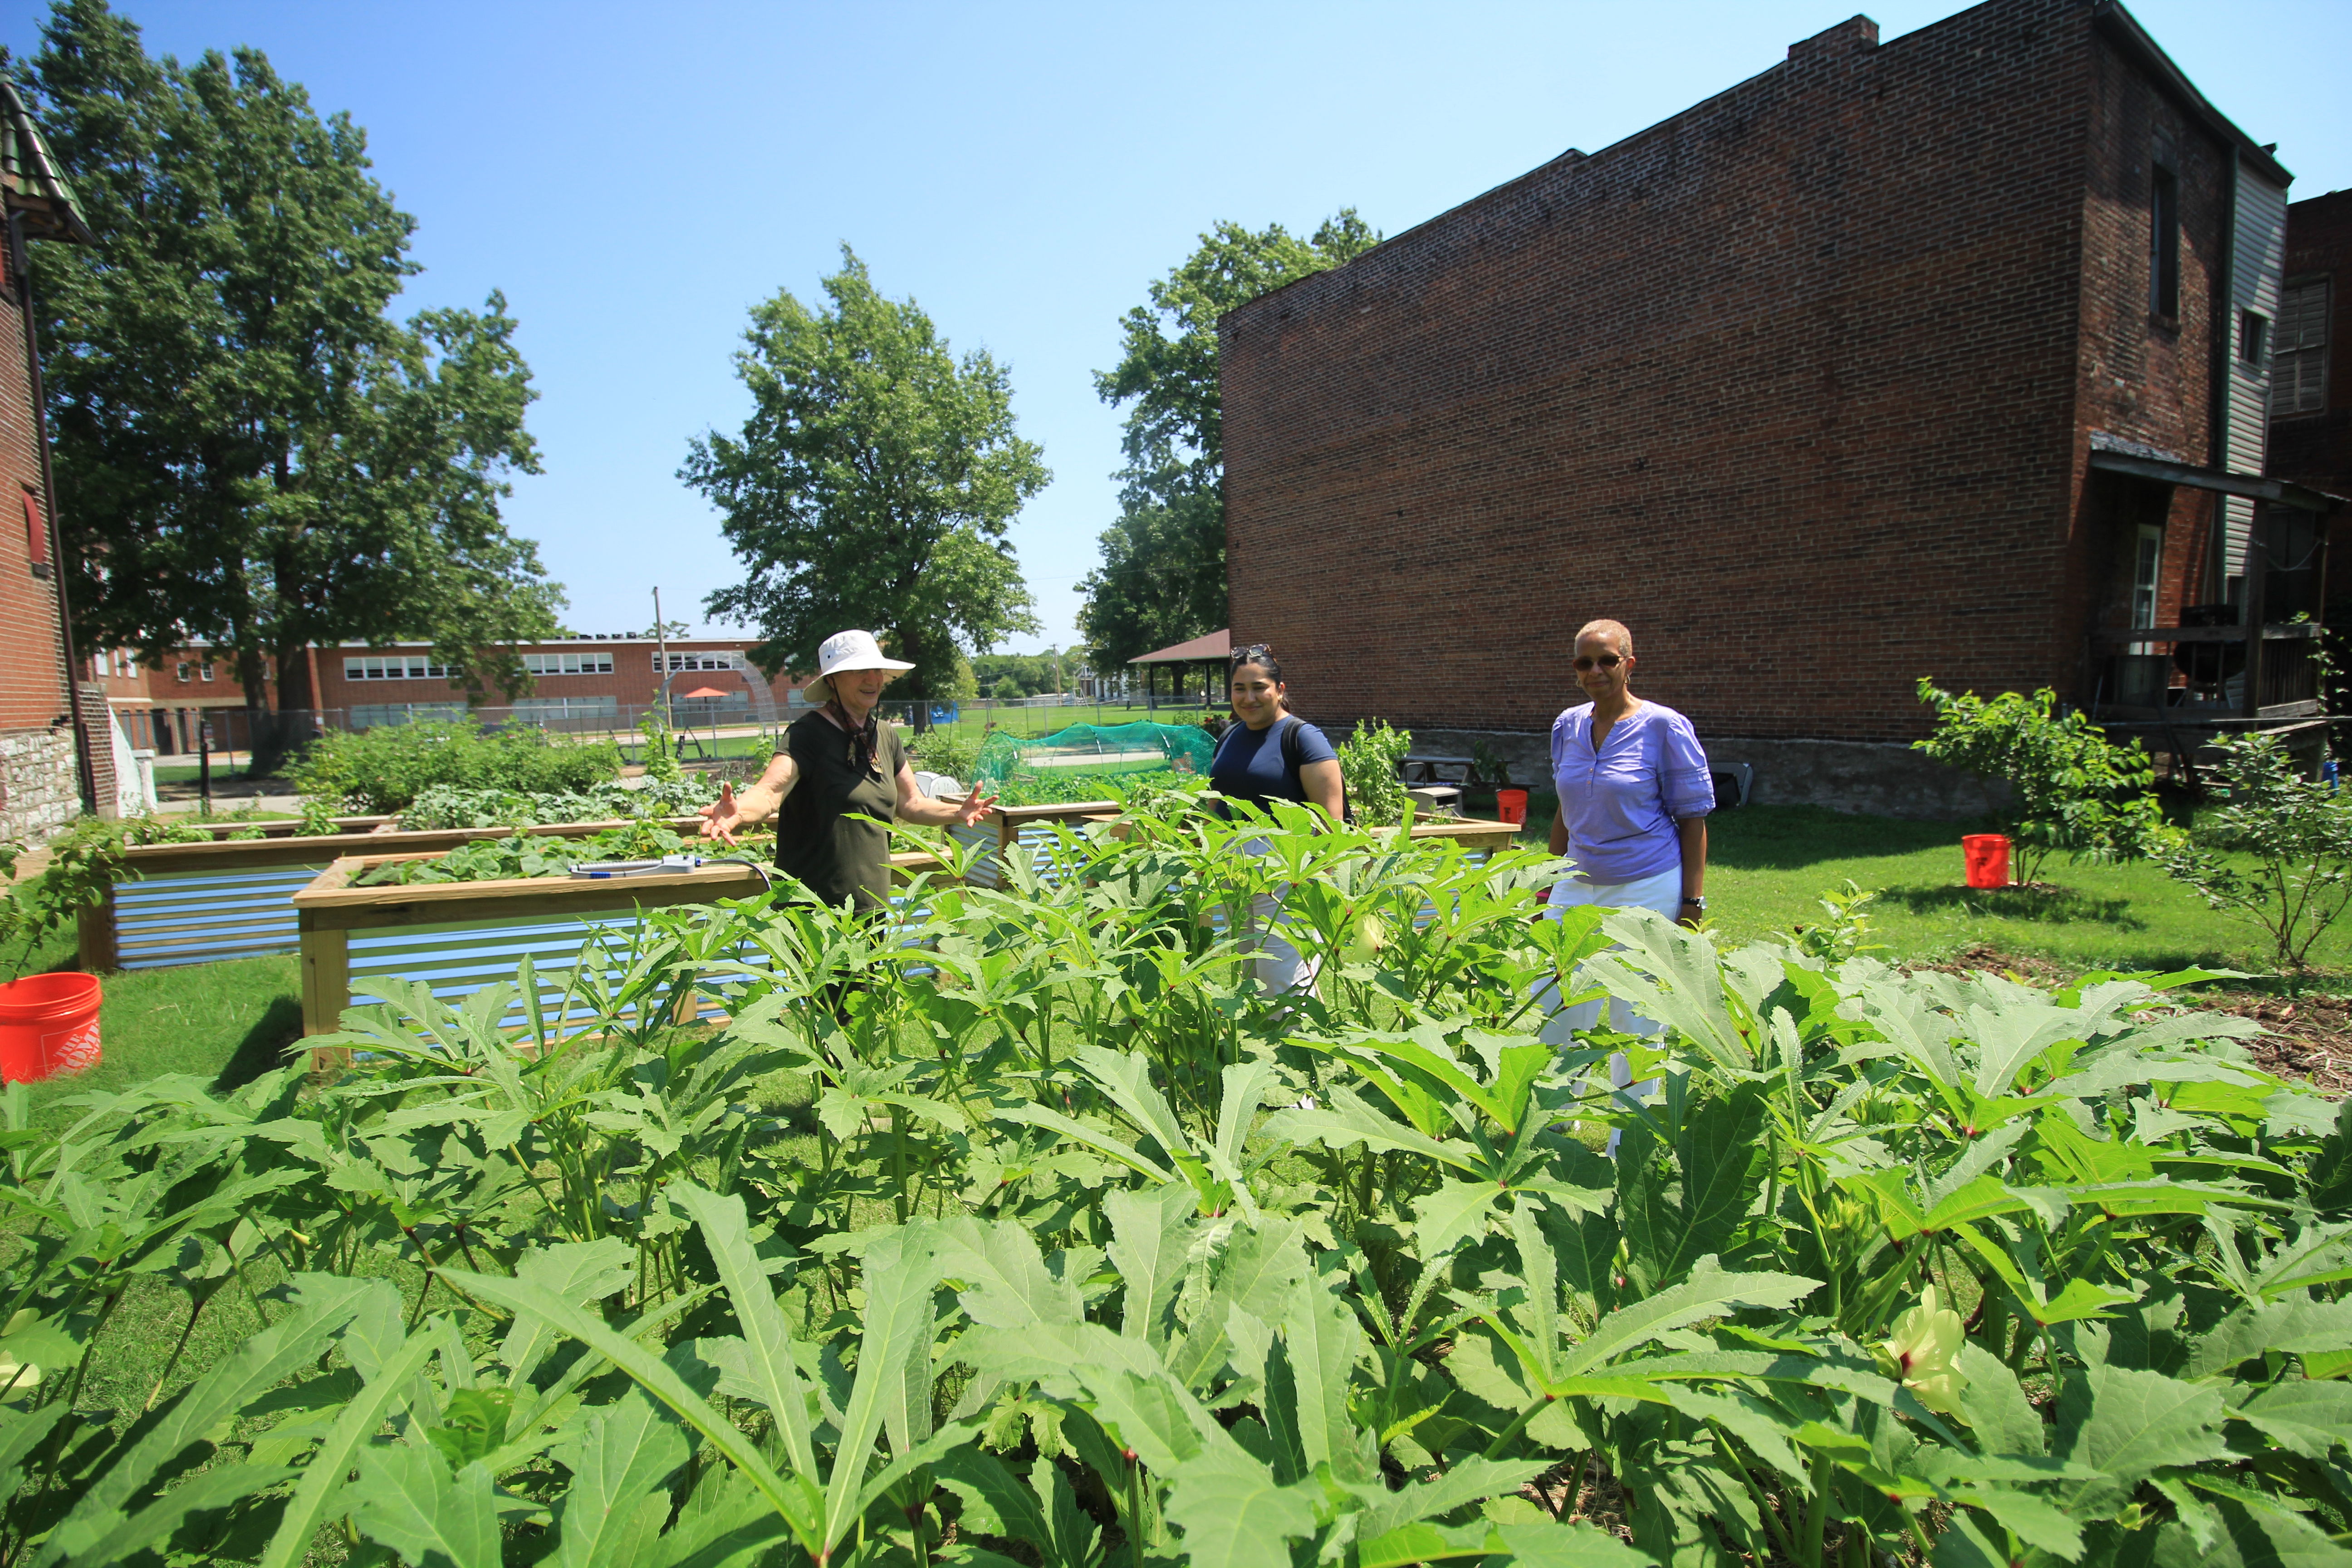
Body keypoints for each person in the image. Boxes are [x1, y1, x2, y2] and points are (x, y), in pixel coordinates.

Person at [697, 629, 994, 911]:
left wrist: (956, 813)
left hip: (872, 906)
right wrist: (738, 812)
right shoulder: (807, 735)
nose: (872, 679)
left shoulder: (885, 736)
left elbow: (911, 803)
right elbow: (769, 793)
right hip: (815, 914)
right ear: (833, 681)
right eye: (859, 670)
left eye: (877, 670)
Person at [1537, 617, 1713, 1065]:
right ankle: (1554, 1114)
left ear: (1629, 663)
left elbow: (1693, 821)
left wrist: (1693, 903)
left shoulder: (1665, 728)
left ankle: (1629, 1132)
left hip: (1646, 884)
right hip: (1577, 880)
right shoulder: (1567, 726)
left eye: (1607, 660)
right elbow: (1566, 808)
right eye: (1584, 662)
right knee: (1557, 999)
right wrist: (1545, 881)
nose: (1595, 671)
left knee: (1635, 1011)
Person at [1207, 645, 1344, 996]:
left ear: (1279, 690)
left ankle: (1298, 1047)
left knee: (1285, 973)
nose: (1248, 697)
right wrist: (1207, 857)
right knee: (1248, 970)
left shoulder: (1302, 737)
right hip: (1233, 867)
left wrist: (1319, 881)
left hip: (1285, 868)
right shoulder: (1228, 736)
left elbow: (1332, 822)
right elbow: (1215, 804)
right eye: (1240, 688)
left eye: (1259, 687)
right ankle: (1258, 1048)